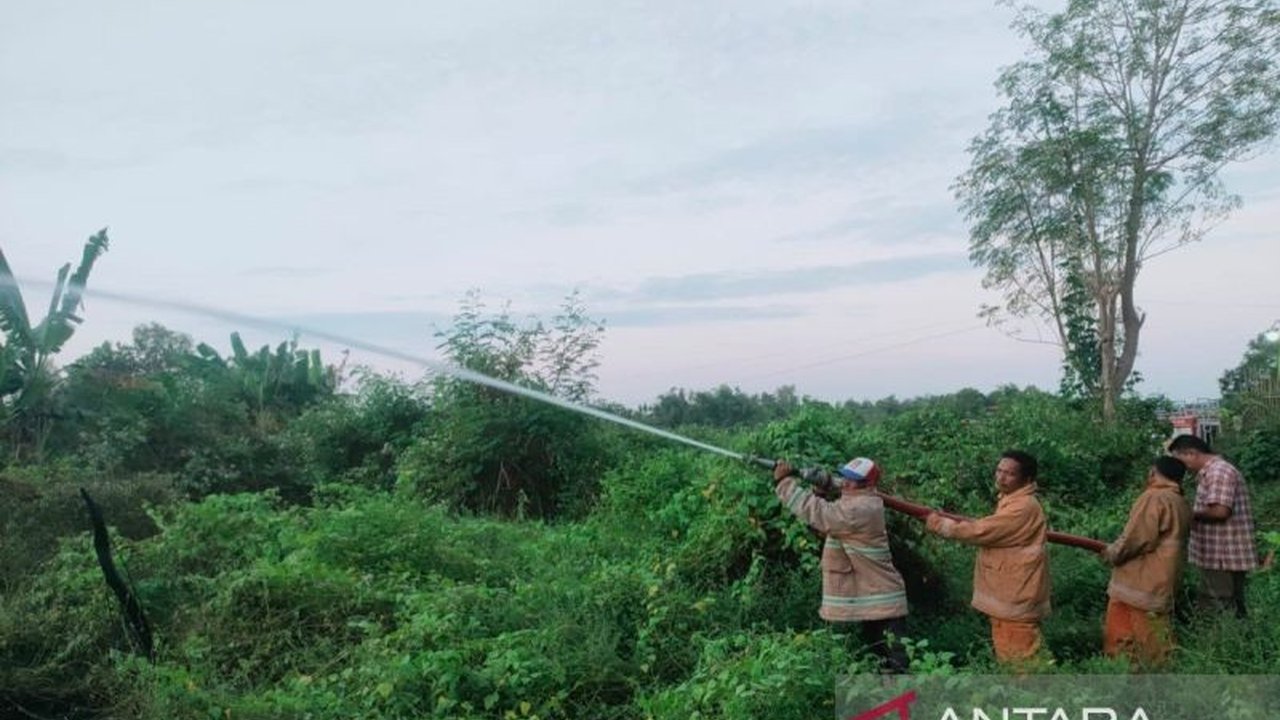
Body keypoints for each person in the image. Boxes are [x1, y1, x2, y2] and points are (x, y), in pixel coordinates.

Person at [773, 457, 909, 673]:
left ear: (867, 485)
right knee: (880, 663)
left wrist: (785, 483)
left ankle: (906, 703)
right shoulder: (860, 500)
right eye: (844, 477)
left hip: (883, 602)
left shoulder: (860, 509)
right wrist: (822, 484)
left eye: (852, 480)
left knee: (897, 664)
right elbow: (835, 504)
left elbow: (820, 513)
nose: (845, 483)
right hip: (874, 598)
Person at [924, 450, 1050, 667]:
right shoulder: (1011, 500)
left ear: (1027, 479)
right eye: (999, 471)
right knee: (1010, 655)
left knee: (1023, 662)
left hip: (1017, 596)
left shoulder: (1023, 507)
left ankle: (1033, 697)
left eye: (1009, 474)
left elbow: (980, 531)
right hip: (1011, 593)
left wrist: (939, 523)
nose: (1001, 477)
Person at [1098, 455, 1192, 667]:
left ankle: (1135, 684)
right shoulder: (1180, 501)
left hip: (1138, 585)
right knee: (1155, 639)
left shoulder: (1154, 497)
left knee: (1130, 641)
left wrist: (1112, 553)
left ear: (1152, 473)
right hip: (1160, 582)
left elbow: (1136, 538)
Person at [1167, 434, 1258, 618]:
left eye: (1180, 460)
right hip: (1218, 553)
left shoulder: (1219, 472)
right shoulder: (1210, 472)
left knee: (1217, 604)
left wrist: (1187, 513)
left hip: (1223, 554)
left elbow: (1220, 512)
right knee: (1230, 604)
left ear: (1191, 453)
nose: (1181, 467)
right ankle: (1235, 640)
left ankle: (1221, 642)